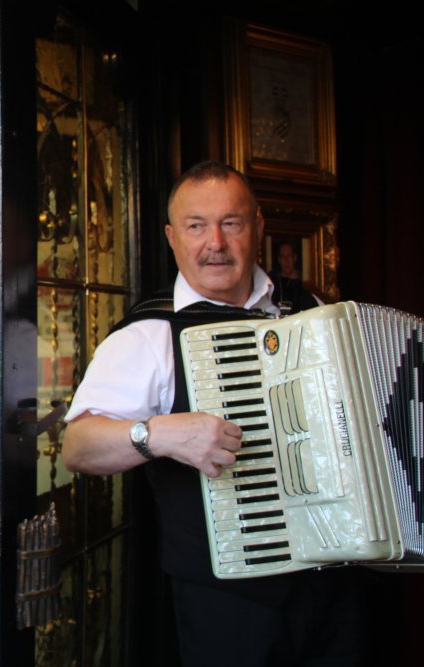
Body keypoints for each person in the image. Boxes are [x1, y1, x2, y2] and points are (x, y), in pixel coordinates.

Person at [62, 161, 363, 665]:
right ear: (171, 237)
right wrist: (155, 435)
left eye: (232, 223)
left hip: (339, 581)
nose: (215, 243)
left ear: (259, 228)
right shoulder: (146, 335)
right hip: (229, 602)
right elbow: (78, 447)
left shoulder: (312, 308)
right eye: (196, 226)